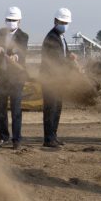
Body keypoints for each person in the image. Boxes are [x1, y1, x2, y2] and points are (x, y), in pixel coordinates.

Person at [0, 6, 29, 148]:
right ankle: (3, 136)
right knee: (1, 108)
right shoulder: (1, 33)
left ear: (19, 21)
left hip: (16, 78)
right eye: (9, 20)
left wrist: (15, 56)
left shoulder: (23, 36)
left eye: (14, 20)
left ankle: (16, 139)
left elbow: (22, 51)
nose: (11, 22)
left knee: (16, 109)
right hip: (2, 76)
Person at [40, 8, 74, 148]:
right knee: (50, 109)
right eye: (62, 22)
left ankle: (53, 136)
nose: (64, 24)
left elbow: (64, 53)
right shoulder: (52, 38)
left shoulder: (61, 37)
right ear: (55, 21)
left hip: (58, 80)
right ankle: (48, 139)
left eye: (66, 22)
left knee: (57, 108)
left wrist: (70, 55)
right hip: (50, 80)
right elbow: (57, 59)